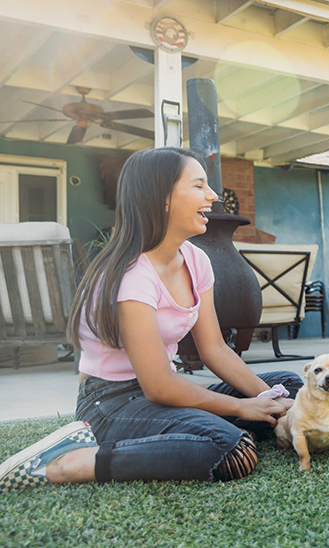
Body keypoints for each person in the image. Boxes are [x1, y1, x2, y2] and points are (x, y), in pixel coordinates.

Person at [0, 147, 303, 493]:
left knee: (287, 384)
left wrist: (271, 398)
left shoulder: (196, 260)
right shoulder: (133, 276)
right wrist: (241, 406)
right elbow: (157, 385)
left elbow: (215, 349)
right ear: (162, 199)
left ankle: (195, 433)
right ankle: (75, 462)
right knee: (232, 449)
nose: (213, 195)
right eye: (198, 186)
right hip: (111, 404)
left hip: (160, 396)